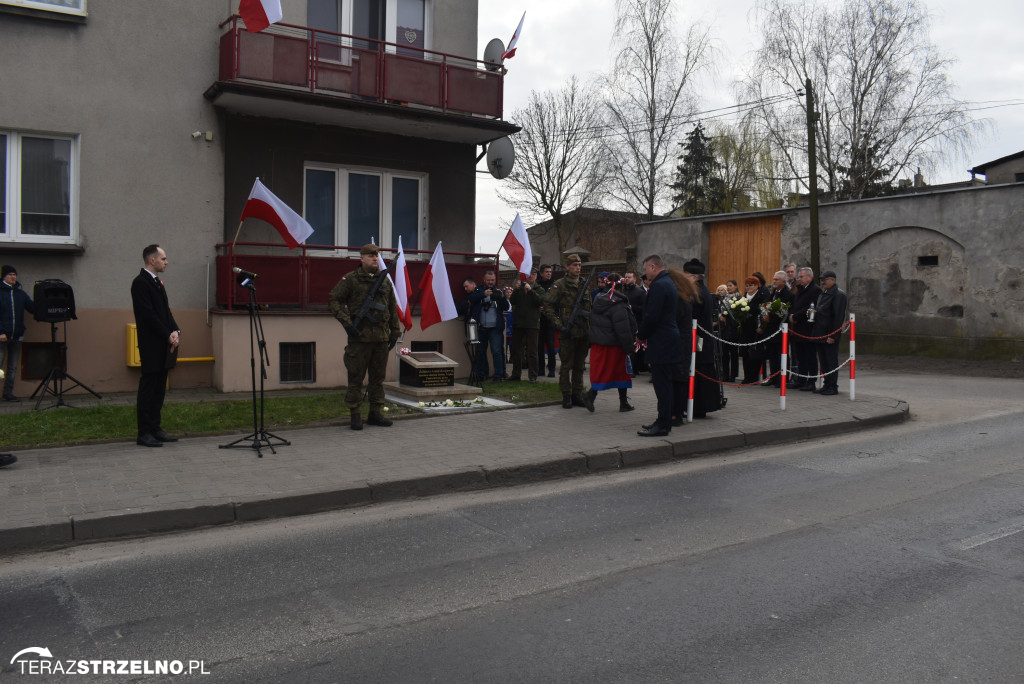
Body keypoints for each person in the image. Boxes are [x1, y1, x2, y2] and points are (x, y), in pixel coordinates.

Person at [329, 244, 401, 430]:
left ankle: (376, 414)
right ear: (361, 258)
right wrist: (347, 323)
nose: (375, 259)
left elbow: (392, 308)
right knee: (355, 378)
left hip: (381, 339)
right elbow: (334, 300)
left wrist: (395, 332)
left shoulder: (385, 281)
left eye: (376, 256)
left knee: (377, 379)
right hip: (359, 339)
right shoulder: (351, 279)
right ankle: (355, 414)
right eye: (370, 256)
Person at [131, 245, 180, 447]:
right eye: (163, 258)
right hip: (151, 345)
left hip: (163, 344)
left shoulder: (158, 283)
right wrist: (167, 335)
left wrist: (175, 330)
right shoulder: (140, 283)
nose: (166, 262)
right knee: (149, 388)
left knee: (160, 388)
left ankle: (156, 428)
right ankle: (144, 433)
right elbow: (148, 315)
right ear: (152, 260)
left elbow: (165, 311)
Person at [636, 254, 682, 436]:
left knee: (662, 386)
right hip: (667, 339)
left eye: (646, 269)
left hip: (662, 341)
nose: (645, 273)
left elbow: (651, 316)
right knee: (664, 385)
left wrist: (641, 335)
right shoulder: (668, 282)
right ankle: (663, 420)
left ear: (653, 267)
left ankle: (663, 425)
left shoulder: (659, 285)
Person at [543, 254, 592, 409]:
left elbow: (589, 307)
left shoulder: (584, 283)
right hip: (568, 331)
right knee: (566, 365)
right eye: (575, 265)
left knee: (580, 366)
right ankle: (566, 396)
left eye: (579, 265)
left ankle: (577, 394)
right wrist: (559, 324)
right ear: (567, 267)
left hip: (583, 331)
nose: (578, 267)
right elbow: (547, 306)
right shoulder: (560, 284)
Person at [584, 274, 637, 413]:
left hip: (600, 343)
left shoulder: (598, 300)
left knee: (604, 372)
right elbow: (622, 327)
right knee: (620, 372)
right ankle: (619, 401)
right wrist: (629, 347)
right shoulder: (618, 303)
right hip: (614, 345)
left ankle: (596, 396)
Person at [682, 258, 724, 417]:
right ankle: (698, 407)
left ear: (694, 277)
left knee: (699, 372)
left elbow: (691, 315)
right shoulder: (700, 290)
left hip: (698, 339)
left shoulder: (696, 292)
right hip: (702, 338)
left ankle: (698, 407)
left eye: (685, 275)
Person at [464, 269, 509, 383]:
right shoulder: (478, 290)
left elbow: (506, 307)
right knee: (480, 352)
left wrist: (502, 297)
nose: (490, 282)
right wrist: (483, 294)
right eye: (488, 280)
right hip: (481, 327)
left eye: (492, 280)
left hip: (495, 328)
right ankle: (482, 374)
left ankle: (498, 375)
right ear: (484, 280)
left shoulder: (498, 291)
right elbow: (471, 299)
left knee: (497, 351)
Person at [667, 268, 697, 426]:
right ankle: (675, 413)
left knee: (677, 380)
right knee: (677, 380)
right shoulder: (682, 299)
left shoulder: (679, 301)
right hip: (681, 343)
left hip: (679, 344)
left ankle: (675, 415)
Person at [1, 265, 35, 402]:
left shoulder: (20, 294)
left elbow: (32, 308)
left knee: (12, 367)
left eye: (15, 274)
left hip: (17, 336)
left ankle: (8, 393)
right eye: (10, 274)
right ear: (4, 276)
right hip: (2, 336)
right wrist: (0, 332)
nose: (13, 277)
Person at [812, 270, 848, 396]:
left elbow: (838, 317)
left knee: (831, 361)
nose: (823, 282)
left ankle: (833, 386)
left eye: (825, 280)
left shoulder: (839, 295)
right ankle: (827, 384)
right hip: (820, 332)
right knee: (824, 361)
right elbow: (822, 310)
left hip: (829, 333)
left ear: (832, 280)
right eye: (822, 280)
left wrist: (833, 335)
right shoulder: (824, 294)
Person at [789, 267, 821, 391]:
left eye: (801, 277)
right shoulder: (800, 290)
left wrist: (795, 316)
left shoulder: (815, 290)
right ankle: (801, 379)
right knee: (800, 356)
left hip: (808, 328)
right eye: (799, 277)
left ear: (809, 277)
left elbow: (809, 307)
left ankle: (811, 381)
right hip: (797, 328)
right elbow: (796, 305)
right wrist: (792, 315)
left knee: (810, 356)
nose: (799, 279)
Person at [761, 270, 795, 387]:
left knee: (782, 354)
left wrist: (772, 317)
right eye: (774, 279)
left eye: (776, 279)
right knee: (772, 354)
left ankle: (783, 378)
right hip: (771, 329)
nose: (774, 281)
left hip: (781, 329)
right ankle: (774, 377)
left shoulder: (789, 295)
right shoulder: (774, 292)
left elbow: (786, 311)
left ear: (784, 281)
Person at [509, 268, 542, 382]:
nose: (531, 276)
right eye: (529, 275)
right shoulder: (520, 289)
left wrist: (531, 290)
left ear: (536, 276)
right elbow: (512, 301)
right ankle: (516, 374)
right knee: (516, 350)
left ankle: (533, 375)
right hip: (519, 323)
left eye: (533, 274)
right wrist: (517, 289)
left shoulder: (539, 289)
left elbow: (540, 301)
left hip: (532, 324)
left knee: (532, 351)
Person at [738, 276, 768, 384]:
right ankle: (747, 376)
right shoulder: (743, 297)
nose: (748, 287)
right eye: (747, 285)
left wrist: (762, 327)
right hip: (745, 329)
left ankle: (754, 377)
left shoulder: (761, 296)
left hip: (756, 329)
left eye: (751, 285)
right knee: (745, 352)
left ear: (757, 286)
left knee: (755, 353)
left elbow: (764, 312)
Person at [622, 270, 647, 376]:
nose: (627, 279)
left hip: (636, 323)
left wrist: (633, 308)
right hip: (624, 323)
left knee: (634, 348)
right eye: (626, 277)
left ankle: (634, 369)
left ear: (634, 279)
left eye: (629, 277)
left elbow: (644, 309)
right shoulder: (622, 291)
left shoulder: (640, 292)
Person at [535, 264, 558, 378]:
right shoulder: (537, 285)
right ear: (541, 273)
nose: (549, 273)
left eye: (550, 271)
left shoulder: (555, 285)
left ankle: (552, 369)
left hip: (549, 320)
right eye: (546, 272)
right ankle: (541, 369)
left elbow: (558, 301)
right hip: (539, 320)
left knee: (550, 346)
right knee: (539, 347)